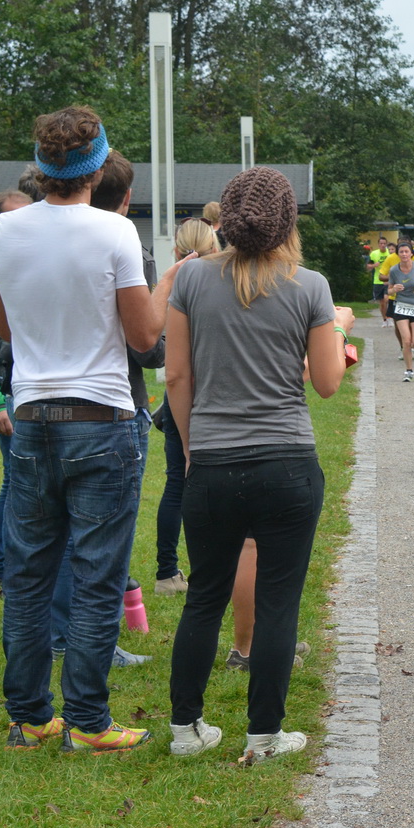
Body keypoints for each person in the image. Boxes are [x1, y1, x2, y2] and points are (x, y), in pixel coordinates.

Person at [0, 106, 176, 752]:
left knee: (31, 575)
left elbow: (7, 329)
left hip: (34, 415)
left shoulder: (3, 234)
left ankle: (30, 715)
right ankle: (89, 720)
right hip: (101, 418)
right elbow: (145, 334)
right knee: (97, 577)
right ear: (97, 168)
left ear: (41, 168)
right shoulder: (115, 235)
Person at [163, 166, 353, 760]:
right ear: (287, 221)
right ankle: (265, 734)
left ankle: (185, 731)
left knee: (203, 595)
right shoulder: (310, 286)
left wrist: (195, 449)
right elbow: (326, 383)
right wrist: (341, 334)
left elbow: (175, 375)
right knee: (278, 600)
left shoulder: (191, 281)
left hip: (214, 462)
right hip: (286, 463)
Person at [153, 219, 222, 595]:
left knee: (177, 483)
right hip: (214, 391)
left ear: (177, 252)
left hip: (179, 393)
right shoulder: (226, 285)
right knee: (216, 486)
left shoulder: (172, 288)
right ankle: (209, 571)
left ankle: (167, 571)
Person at [0, 189, 32, 597]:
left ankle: (4, 572)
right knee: (19, 483)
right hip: (7, 393)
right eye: (8, 218)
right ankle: (3, 573)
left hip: (26, 387)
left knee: (17, 482)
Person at [385, 242, 414, 380]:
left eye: (406, 252)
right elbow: (389, 290)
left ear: (411, 253)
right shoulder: (394, 270)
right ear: (398, 254)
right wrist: (394, 290)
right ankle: (408, 371)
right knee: (406, 340)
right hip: (401, 306)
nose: (404, 254)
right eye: (401, 252)